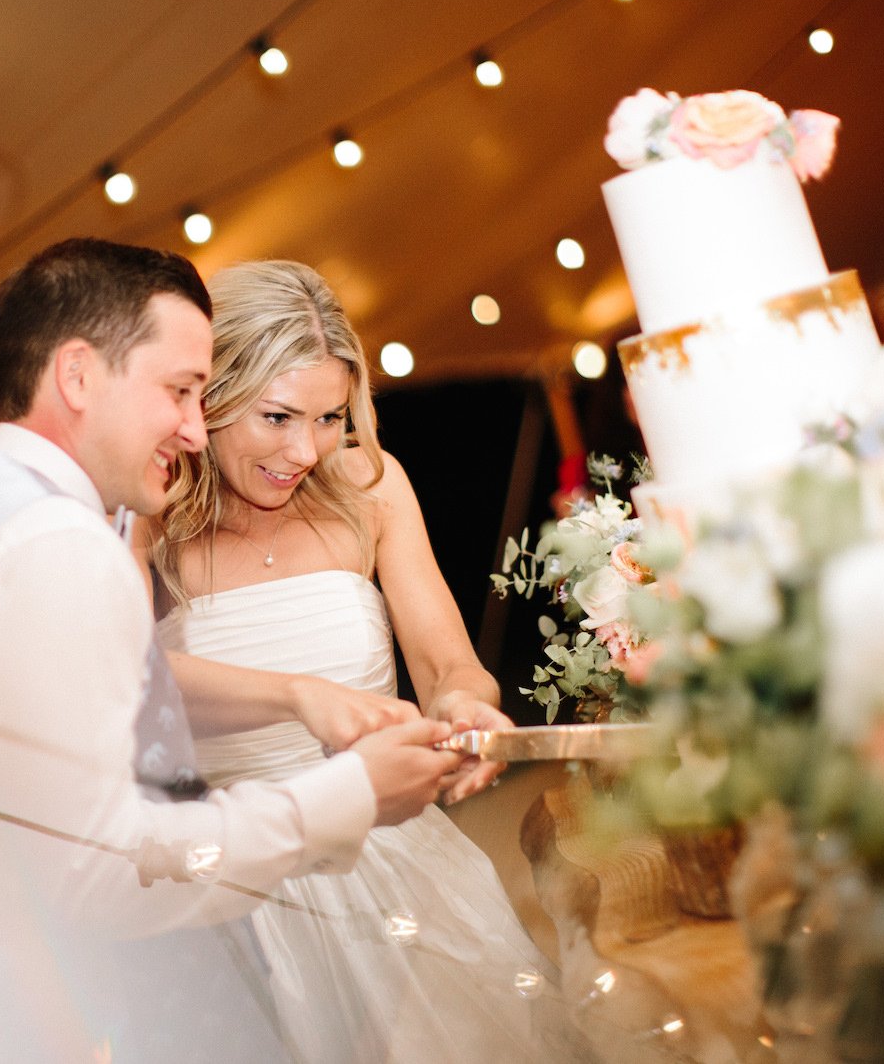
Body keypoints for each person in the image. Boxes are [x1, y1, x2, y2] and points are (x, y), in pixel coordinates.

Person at [0, 239, 465, 1062]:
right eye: (180, 391)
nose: (192, 424)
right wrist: (348, 793)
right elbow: (105, 871)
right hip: (47, 1014)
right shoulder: (57, 546)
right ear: (76, 377)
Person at [142, 259, 587, 1062]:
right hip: (240, 879)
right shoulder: (152, 513)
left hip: (403, 868)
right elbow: (128, 674)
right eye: (277, 417)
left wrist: (466, 706)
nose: (305, 450)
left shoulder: (371, 488)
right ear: (210, 396)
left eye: (329, 417)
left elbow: (448, 660)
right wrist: (299, 696)